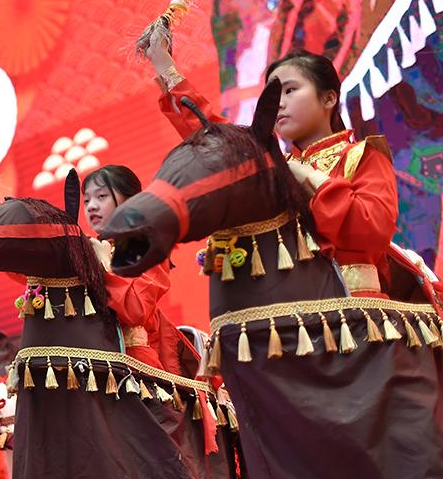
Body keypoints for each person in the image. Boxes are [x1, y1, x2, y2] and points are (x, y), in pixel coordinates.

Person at [148, 35, 398, 298]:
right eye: (273, 95)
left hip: (355, 308)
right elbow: (218, 139)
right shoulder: (274, 168)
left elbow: (372, 231)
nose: (278, 103)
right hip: (285, 309)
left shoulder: (361, 156)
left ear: (328, 99)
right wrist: (165, 67)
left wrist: (308, 177)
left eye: (290, 90)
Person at [83, 165, 182, 373]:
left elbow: (135, 311)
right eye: (86, 200)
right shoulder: (85, 250)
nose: (91, 206)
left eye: (101, 196)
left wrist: (105, 268)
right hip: (90, 362)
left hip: (135, 365)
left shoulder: (147, 245)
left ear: (130, 200)